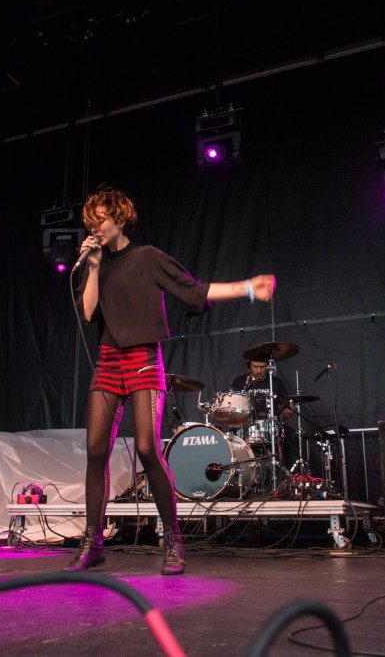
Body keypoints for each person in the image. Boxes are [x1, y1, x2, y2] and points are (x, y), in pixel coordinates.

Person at [67, 186, 276, 574]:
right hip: (109, 361)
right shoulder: (99, 263)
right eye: (92, 219)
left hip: (144, 359)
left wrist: (248, 287)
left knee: (148, 447)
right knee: (95, 449)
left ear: (120, 217)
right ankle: (92, 542)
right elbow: (89, 312)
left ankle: (174, 540)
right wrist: (93, 266)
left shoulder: (147, 257)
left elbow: (193, 290)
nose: (97, 224)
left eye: (103, 217)